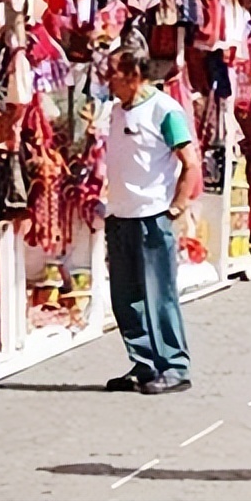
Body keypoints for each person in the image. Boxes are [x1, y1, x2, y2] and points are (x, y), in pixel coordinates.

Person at [103, 46, 202, 395]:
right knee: (126, 298)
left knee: (159, 295)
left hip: (151, 219)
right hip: (120, 218)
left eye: (112, 72)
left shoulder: (165, 110)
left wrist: (175, 207)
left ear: (133, 75)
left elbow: (190, 162)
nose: (106, 79)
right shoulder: (115, 113)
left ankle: (174, 366)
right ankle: (144, 364)